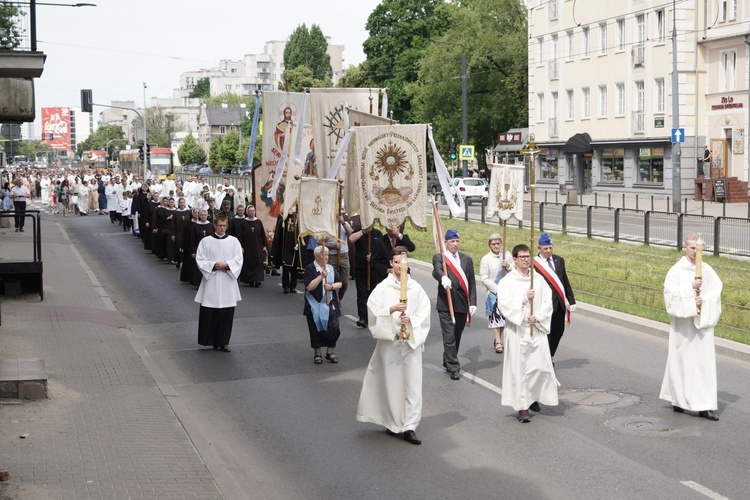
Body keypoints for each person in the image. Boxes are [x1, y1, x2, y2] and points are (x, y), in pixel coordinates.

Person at [356, 247, 431, 445]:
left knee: (412, 386)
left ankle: (409, 426)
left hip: (410, 344)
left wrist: (411, 320)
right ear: (391, 263)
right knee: (391, 385)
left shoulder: (416, 288)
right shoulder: (383, 288)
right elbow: (373, 309)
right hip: (390, 344)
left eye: (404, 262)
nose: (400, 266)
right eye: (397, 262)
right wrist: (392, 309)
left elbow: (424, 312)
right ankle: (391, 422)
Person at [659, 234, 723, 421]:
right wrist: (690, 289)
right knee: (681, 361)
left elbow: (716, 293)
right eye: (692, 248)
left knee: (704, 364)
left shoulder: (708, 270)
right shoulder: (676, 271)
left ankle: (705, 405)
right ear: (684, 247)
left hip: (702, 324)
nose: (695, 252)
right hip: (683, 326)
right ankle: (678, 399)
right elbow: (670, 297)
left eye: (699, 248)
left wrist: (704, 301)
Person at [498, 244, 558, 423]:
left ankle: (532, 397)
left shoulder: (537, 279)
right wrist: (524, 299)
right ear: (514, 259)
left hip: (536, 329)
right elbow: (505, 305)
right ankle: (522, 407)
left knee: (539, 367)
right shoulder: (507, 282)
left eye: (528, 256)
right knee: (520, 370)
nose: (525, 259)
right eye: (522, 256)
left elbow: (548, 301)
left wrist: (538, 317)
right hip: (518, 331)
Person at [432, 229, 477, 380]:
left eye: (457, 241)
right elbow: (436, 269)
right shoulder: (440, 257)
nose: (455, 244)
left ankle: (448, 359)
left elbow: (471, 282)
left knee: (457, 335)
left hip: (462, 304)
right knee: (449, 336)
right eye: (452, 241)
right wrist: (442, 277)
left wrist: (473, 302)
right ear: (445, 242)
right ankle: (453, 367)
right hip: (446, 304)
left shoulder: (467, 259)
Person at [194, 215, 243, 352]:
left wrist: (226, 265)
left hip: (227, 280)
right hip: (212, 280)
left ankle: (223, 342)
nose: (222, 228)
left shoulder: (234, 241)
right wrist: (214, 265)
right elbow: (200, 259)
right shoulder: (205, 241)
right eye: (220, 225)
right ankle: (210, 340)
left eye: (224, 225)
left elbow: (238, 259)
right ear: (214, 225)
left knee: (226, 313)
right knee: (211, 311)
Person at [534, 233, 575, 360]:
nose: (548, 251)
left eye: (550, 248)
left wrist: (571, 300)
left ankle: (549, 354)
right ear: (539, 248)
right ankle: (544, 359)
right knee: (546, 331)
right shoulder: (535, 264)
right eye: (545, 248)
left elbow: (564, 281)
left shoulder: (559, 260)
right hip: (544, 304)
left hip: (560, 304)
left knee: (558, 331)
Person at [303, 245, 342, 365]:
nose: (327, 257)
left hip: (329, 302)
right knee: (315, 328)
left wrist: (331, 287)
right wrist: (321, 276)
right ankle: (317, 353)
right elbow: (309, 286)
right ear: (317, 256)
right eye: (324, 255)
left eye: (328, 255)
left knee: (334, 327)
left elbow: (339, 283)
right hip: (314, 303)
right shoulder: (310, 269)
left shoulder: (330, 268)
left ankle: (331, 351)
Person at [479, 234, 513, 353]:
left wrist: (508, 265)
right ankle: (498, 341)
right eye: (494, 244)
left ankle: (498, 337)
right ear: (490, 245)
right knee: (495, 316)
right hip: (494, 292)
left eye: (498, 243)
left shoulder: (507, 255)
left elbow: (515, 270)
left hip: (507, 291)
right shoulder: (486, 259)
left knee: (503, 317)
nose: (496, 246)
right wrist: (497, 289)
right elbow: (484, 277)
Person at [348, 217, 383, 328]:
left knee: (372, 294)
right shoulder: (359, 233)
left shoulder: (378, 234)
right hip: (360, 269)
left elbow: (382, 250)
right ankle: (363, 317)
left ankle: (372, 316)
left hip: (373, 270)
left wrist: (373, 257)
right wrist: (363, 231)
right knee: (362, 293)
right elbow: (351, 239)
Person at [240, 205, 269, 287]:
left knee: (258, 262)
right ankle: (250, 280)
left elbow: (262, 234)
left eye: (253, 211)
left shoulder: (258, 222)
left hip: (257, 246)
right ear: (247, 212)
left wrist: (264, 245)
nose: (252, 212)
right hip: (247, 246)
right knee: (249, 263)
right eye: (250, 211)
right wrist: (241, 246)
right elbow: (240, 235)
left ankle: (257, 279)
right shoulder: (243, 223)